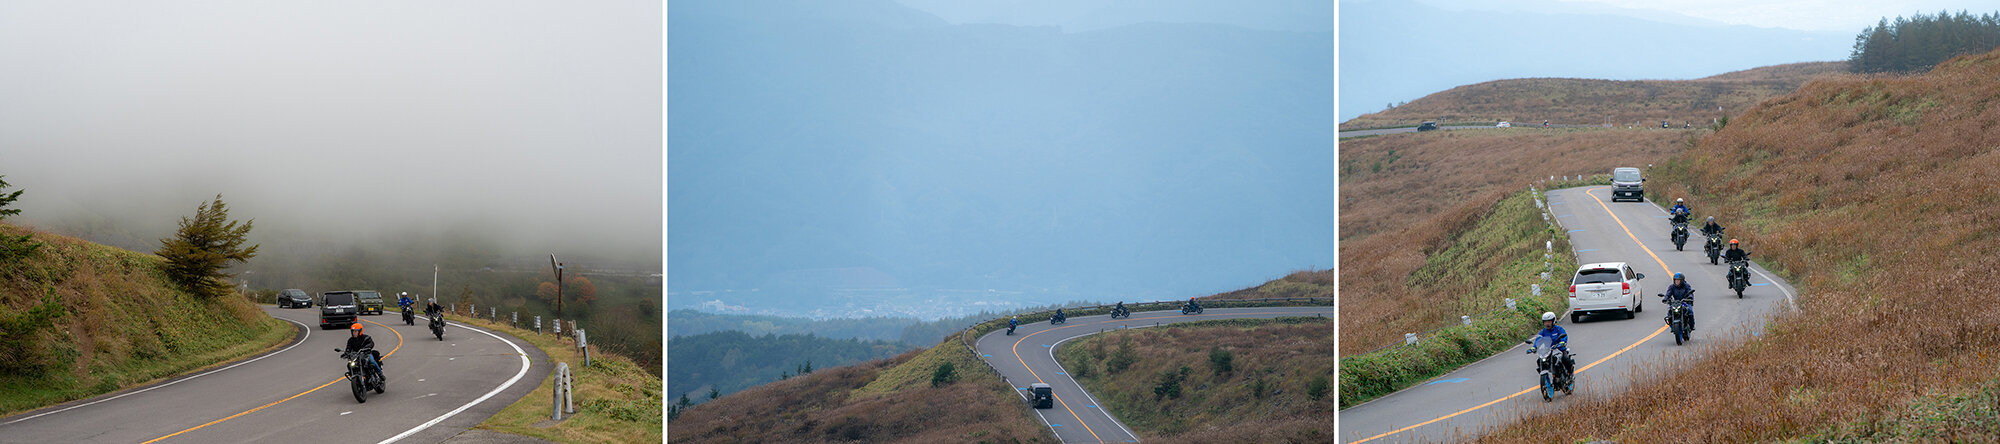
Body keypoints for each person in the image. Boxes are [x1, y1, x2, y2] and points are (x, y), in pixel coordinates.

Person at [1525, 312, 1574, 378]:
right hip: (1548, 351)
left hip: (1559, 350)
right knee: (1539, 360)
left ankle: (1570, 373)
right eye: (1545, 322)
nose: (1547, 324)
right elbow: (1538, 339)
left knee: (1565, 359)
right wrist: (1534, 347)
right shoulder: (1543, 331)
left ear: (1553, 321)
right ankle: (1545, 377)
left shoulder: (1558, 329)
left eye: (1549, 322)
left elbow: (1564, 336)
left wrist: (1562, 342)